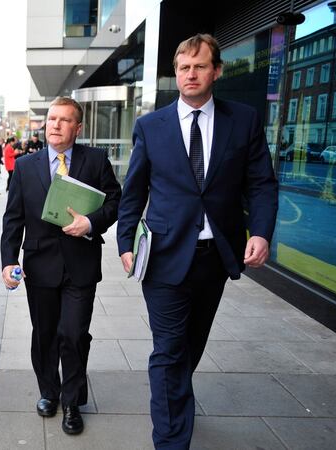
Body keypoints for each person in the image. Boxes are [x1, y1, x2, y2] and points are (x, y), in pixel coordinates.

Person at [116, 34, 278, 449]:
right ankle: (171, 439)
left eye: (200, 66)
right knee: (169, 351)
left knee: (191, 346)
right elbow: (133, 192)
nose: (191, 74)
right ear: (176, 73)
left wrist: (259, 231)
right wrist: (125, 243)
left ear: (216, 71)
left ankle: (175, 399)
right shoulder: (151, 127)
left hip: (215, 258)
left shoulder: (242, 120)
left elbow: (260, 183)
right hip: (164, 257)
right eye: (184, 67)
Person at [0, 96, 121, 435]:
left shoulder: (96, 161)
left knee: (73, 334)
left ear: (77, 128)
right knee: (45, 336)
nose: (55, 124)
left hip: (81, 265)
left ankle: (72, 401)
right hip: (40, 266)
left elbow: (115, 202)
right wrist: (8, 260)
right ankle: (48, 392)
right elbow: (13, 218)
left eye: (64, 120)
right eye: (52, 118)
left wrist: (91, 222)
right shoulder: (26, 167)